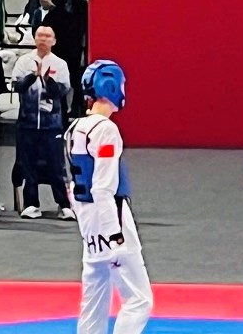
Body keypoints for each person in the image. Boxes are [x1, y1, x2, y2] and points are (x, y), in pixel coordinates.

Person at [65, 60, 153, 334]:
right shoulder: (105, 130)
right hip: (110, 219)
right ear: (112, 87)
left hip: (89, 222)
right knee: (139, 300)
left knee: (94, 300)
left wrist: (87, 230)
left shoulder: (73, 129)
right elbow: (103, 187)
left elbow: (71, 186)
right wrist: (114, 235)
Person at [11, 26, 74, 220]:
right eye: (40, 36)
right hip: (27, 123)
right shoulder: (23, 61)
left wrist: (48, 81)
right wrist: (33, 77)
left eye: (47, 36)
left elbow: (61, 92)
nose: (43, 39)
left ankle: (64, 205)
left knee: (56, 165)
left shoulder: (60, 64)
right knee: (28, 164)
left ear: (54, 41)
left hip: (52, 124)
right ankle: (31, 204)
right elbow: (17, 86)